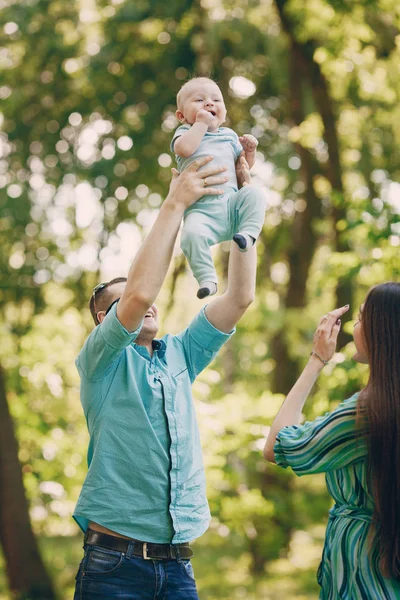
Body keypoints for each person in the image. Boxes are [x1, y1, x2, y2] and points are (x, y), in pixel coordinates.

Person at [73, 155, 266, 599]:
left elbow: (239, 297)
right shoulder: (100, 361)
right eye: (126, 304)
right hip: (114, 565)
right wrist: (175, 202)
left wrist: (241, 209)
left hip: (179, 566)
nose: (149, 303)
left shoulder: (180, 354)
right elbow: (140, 291)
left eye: (148, 301)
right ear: (104, 318)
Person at [264, 282, 400, 599]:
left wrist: (316, 360)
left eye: (362, 318)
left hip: (364, 572)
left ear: (382, 330)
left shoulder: (366, 413)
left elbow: (277, 446)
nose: (354, 327)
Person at [171, 77, 266, 299]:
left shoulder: (229, 136)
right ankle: (207, 279)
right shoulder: (185, 132)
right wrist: (200, 124)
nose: (209, 103)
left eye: (216, 99)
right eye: (199, 100)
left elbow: (241, 168)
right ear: (181, 116)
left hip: (232, 208)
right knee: (190, 235)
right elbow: (184, 149)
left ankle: (248, 234)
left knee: (253, 194)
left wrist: (249, 152)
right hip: (201, 213)